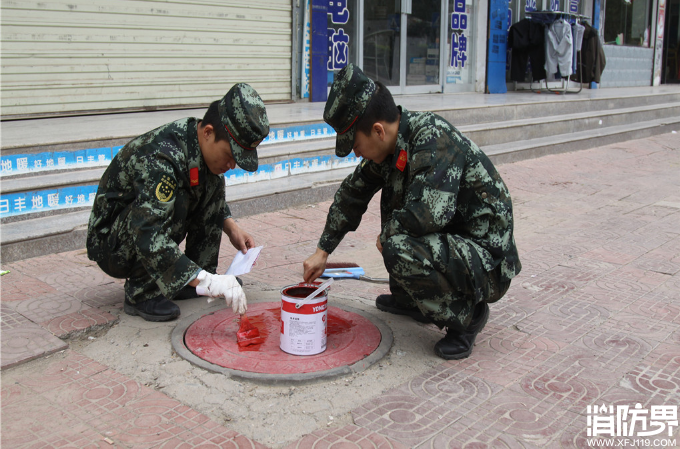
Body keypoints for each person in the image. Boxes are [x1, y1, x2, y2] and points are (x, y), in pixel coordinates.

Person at [303, 64, 521, 360]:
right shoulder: (392, 146)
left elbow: (430, 215)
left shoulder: (432, 138)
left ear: (377, 130)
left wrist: (388, 234)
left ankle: (468, 316)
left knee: (399, 243)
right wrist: (322, 250)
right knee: (395, 209)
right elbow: (351, 194)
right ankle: (412, 300)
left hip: (487, 262)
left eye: (356, 144)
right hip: (456, 246)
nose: (356, 153)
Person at [87, 83, 269, 322]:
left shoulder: (196, 143)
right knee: (174, 202)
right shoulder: (163, 158)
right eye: (230, 155)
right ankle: (142, 293)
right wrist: (212, 282)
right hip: (112, 245)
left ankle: (193, 280)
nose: (232, 165)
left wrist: (231, 226)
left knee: (212, 184)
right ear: (208, 133)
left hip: (137, 230)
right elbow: (147, 228)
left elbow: (211, 200)